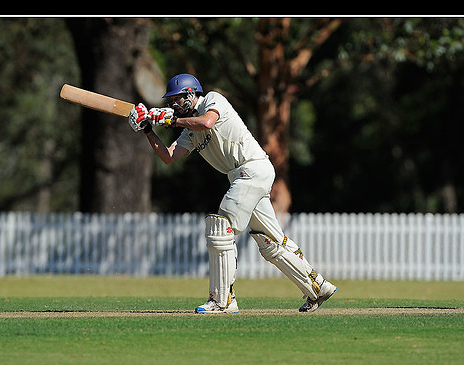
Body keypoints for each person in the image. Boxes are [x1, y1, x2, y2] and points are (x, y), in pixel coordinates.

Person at [128, 73, 336, 313]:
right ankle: (318, 287)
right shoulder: (189, 132)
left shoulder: (212, 100)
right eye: (171, 101)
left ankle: (223, 300)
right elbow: (168, 156)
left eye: (177, 99)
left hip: (251, 169)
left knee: (221, 227)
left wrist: (170, 120)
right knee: (271, 243)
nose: (173, 105)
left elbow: (207, 122)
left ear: (191, 94)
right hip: (244, 176)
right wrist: (147, 130)